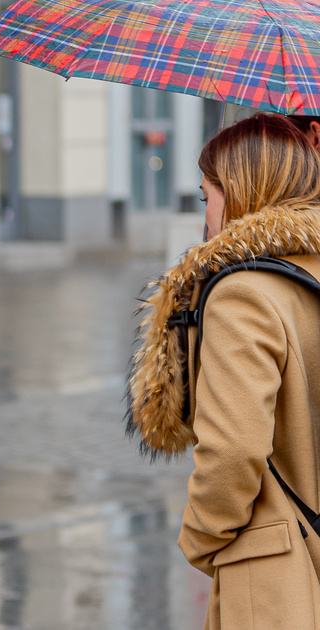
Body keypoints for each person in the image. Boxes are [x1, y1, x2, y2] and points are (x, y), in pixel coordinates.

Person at [128, 113, 320, 628]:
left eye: (204, 195)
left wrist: (201, 536)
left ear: (240, 191)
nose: (204, 216)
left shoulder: (242, 295)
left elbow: (234, 449)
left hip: (278, 573)